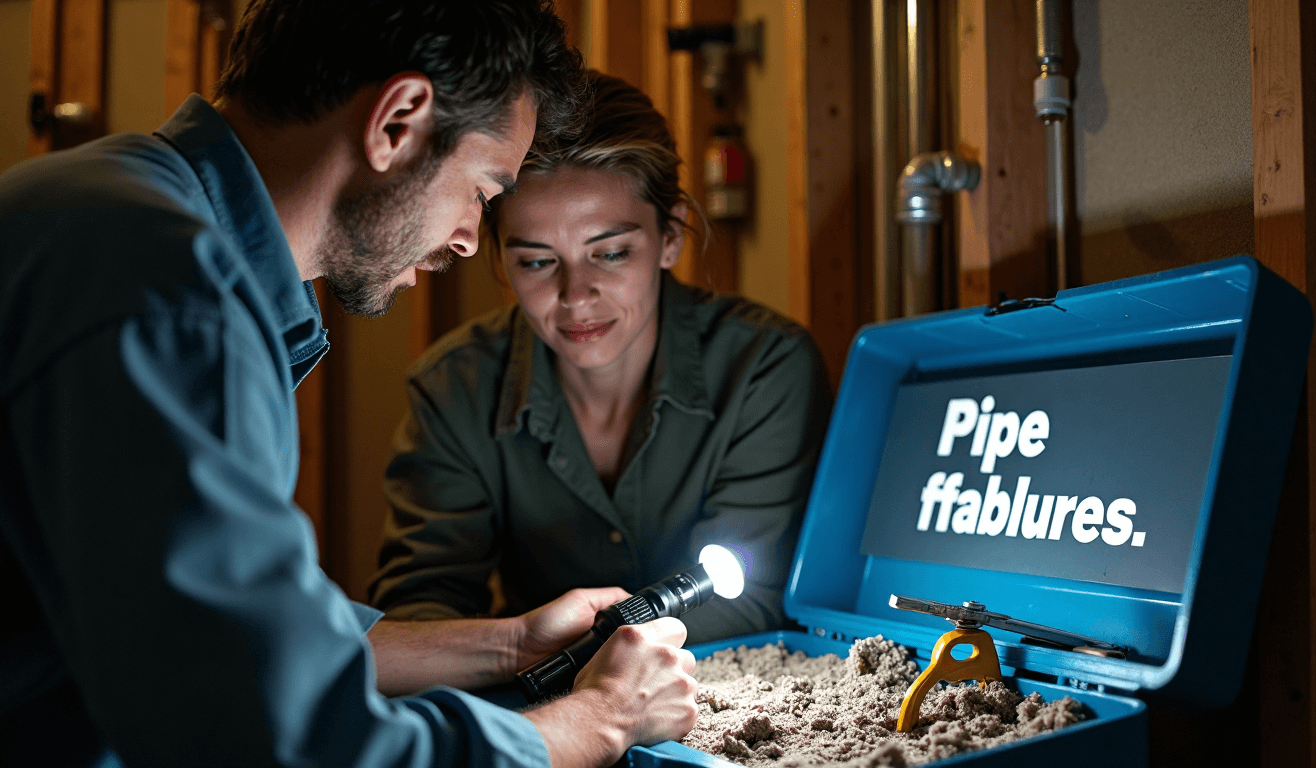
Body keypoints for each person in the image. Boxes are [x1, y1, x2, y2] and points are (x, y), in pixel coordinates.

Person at [0, 3, 697, 767]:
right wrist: (603, 719)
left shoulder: (106, 203)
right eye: (483, 191)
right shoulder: (174, 304)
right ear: (397, 121)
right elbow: (295, 747)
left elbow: (218, 635)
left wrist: (507, 644)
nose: (470, 238)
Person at [368, 72, 832, 646]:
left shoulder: (765, 370)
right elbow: (418, 611)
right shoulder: (453, 390)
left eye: (610, 253)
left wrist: (545, 652)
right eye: (537, 262)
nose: (575, 295)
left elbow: (756, 602)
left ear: (670, 238)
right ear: (499, 262)